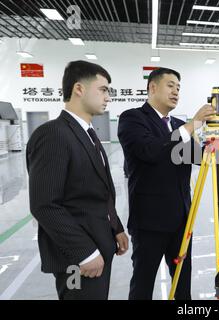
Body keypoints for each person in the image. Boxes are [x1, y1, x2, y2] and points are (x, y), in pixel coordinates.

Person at [26, 60, 129, 300]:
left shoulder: (88, 134)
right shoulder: (53, 134)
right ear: (79, 89)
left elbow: (97, 191)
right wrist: (85, 253)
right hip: (78, 259)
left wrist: (116, 227)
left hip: (99, 247)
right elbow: (45, 204)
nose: (108, 97)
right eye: (103, 90)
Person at [118, 67, 215, 300]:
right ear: (152, 87)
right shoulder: (132, 118)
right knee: (143, 284)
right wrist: (192, 125)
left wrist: (217, 144)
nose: (176, 92)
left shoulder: (179, 124)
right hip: (150, 222)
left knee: (182, 284)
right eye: (170, 85)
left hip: (182, 219)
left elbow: (198, 158)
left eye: (179, 88)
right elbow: (150, 151)